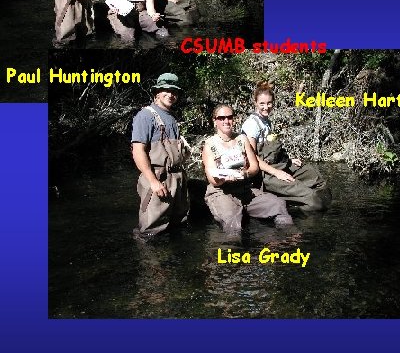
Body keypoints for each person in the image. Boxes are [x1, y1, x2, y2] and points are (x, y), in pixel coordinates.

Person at [202, 104, 293, 232]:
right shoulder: (209, 144)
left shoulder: (242, 139)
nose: (226, 121)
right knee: (233, 222)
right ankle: (233, 248)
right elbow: (213, 180)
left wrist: (243, 174)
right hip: (221, 192)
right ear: (215, 121)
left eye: (229, 117)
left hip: (245, 189)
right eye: (221, 118)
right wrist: (225, 179)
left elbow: (255, 167)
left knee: (278, 205)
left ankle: (287, 239)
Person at [242, 82, 331, 212]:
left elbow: (273, 150)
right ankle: (296, 214)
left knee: (316, 178)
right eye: (262, 103)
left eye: (269, 103)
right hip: (265, 174)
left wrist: (288, 161)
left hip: (278, 165)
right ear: (255, 102)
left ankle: (308, 203)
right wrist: (277, 173)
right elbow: (253, 158)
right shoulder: (251, 125)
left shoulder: (267, 121)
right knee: (311, 198)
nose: (266, 107)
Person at [131, 73, 190, 236]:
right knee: (150, 231)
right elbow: (138, 151)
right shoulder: (145, 116)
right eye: (166, 90)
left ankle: (173, 260)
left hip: (177, 179)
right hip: (158, 180)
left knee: (178, 226)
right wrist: (153, 181)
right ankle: (150, 261)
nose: (171, 94)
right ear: (157, 92)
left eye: (174, 91)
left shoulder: (172, 117)